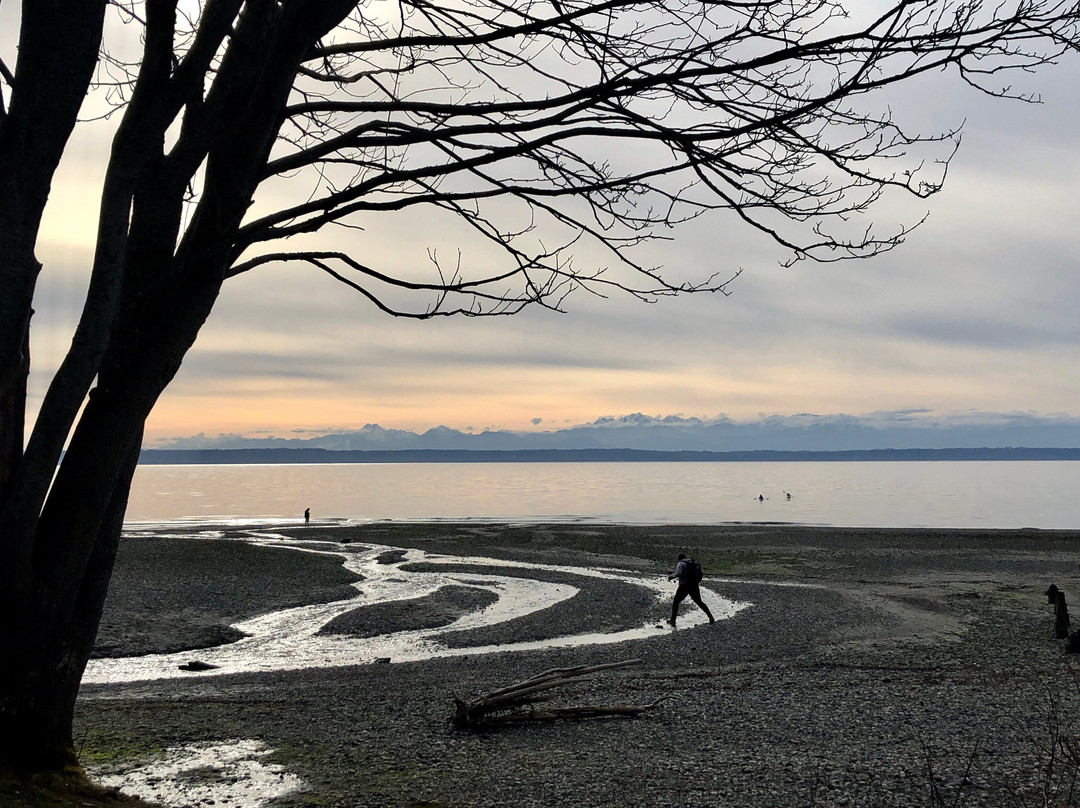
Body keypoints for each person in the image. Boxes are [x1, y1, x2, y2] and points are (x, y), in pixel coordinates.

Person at [667, 553, 714, 627]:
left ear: (679, 558)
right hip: (694, 585)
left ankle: (673, 620)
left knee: (676, 602)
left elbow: (679, 573)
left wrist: (671, 577)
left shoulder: (681, 564)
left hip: (684, 585)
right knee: (699, 602)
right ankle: (710, 616)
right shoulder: (692, 563)